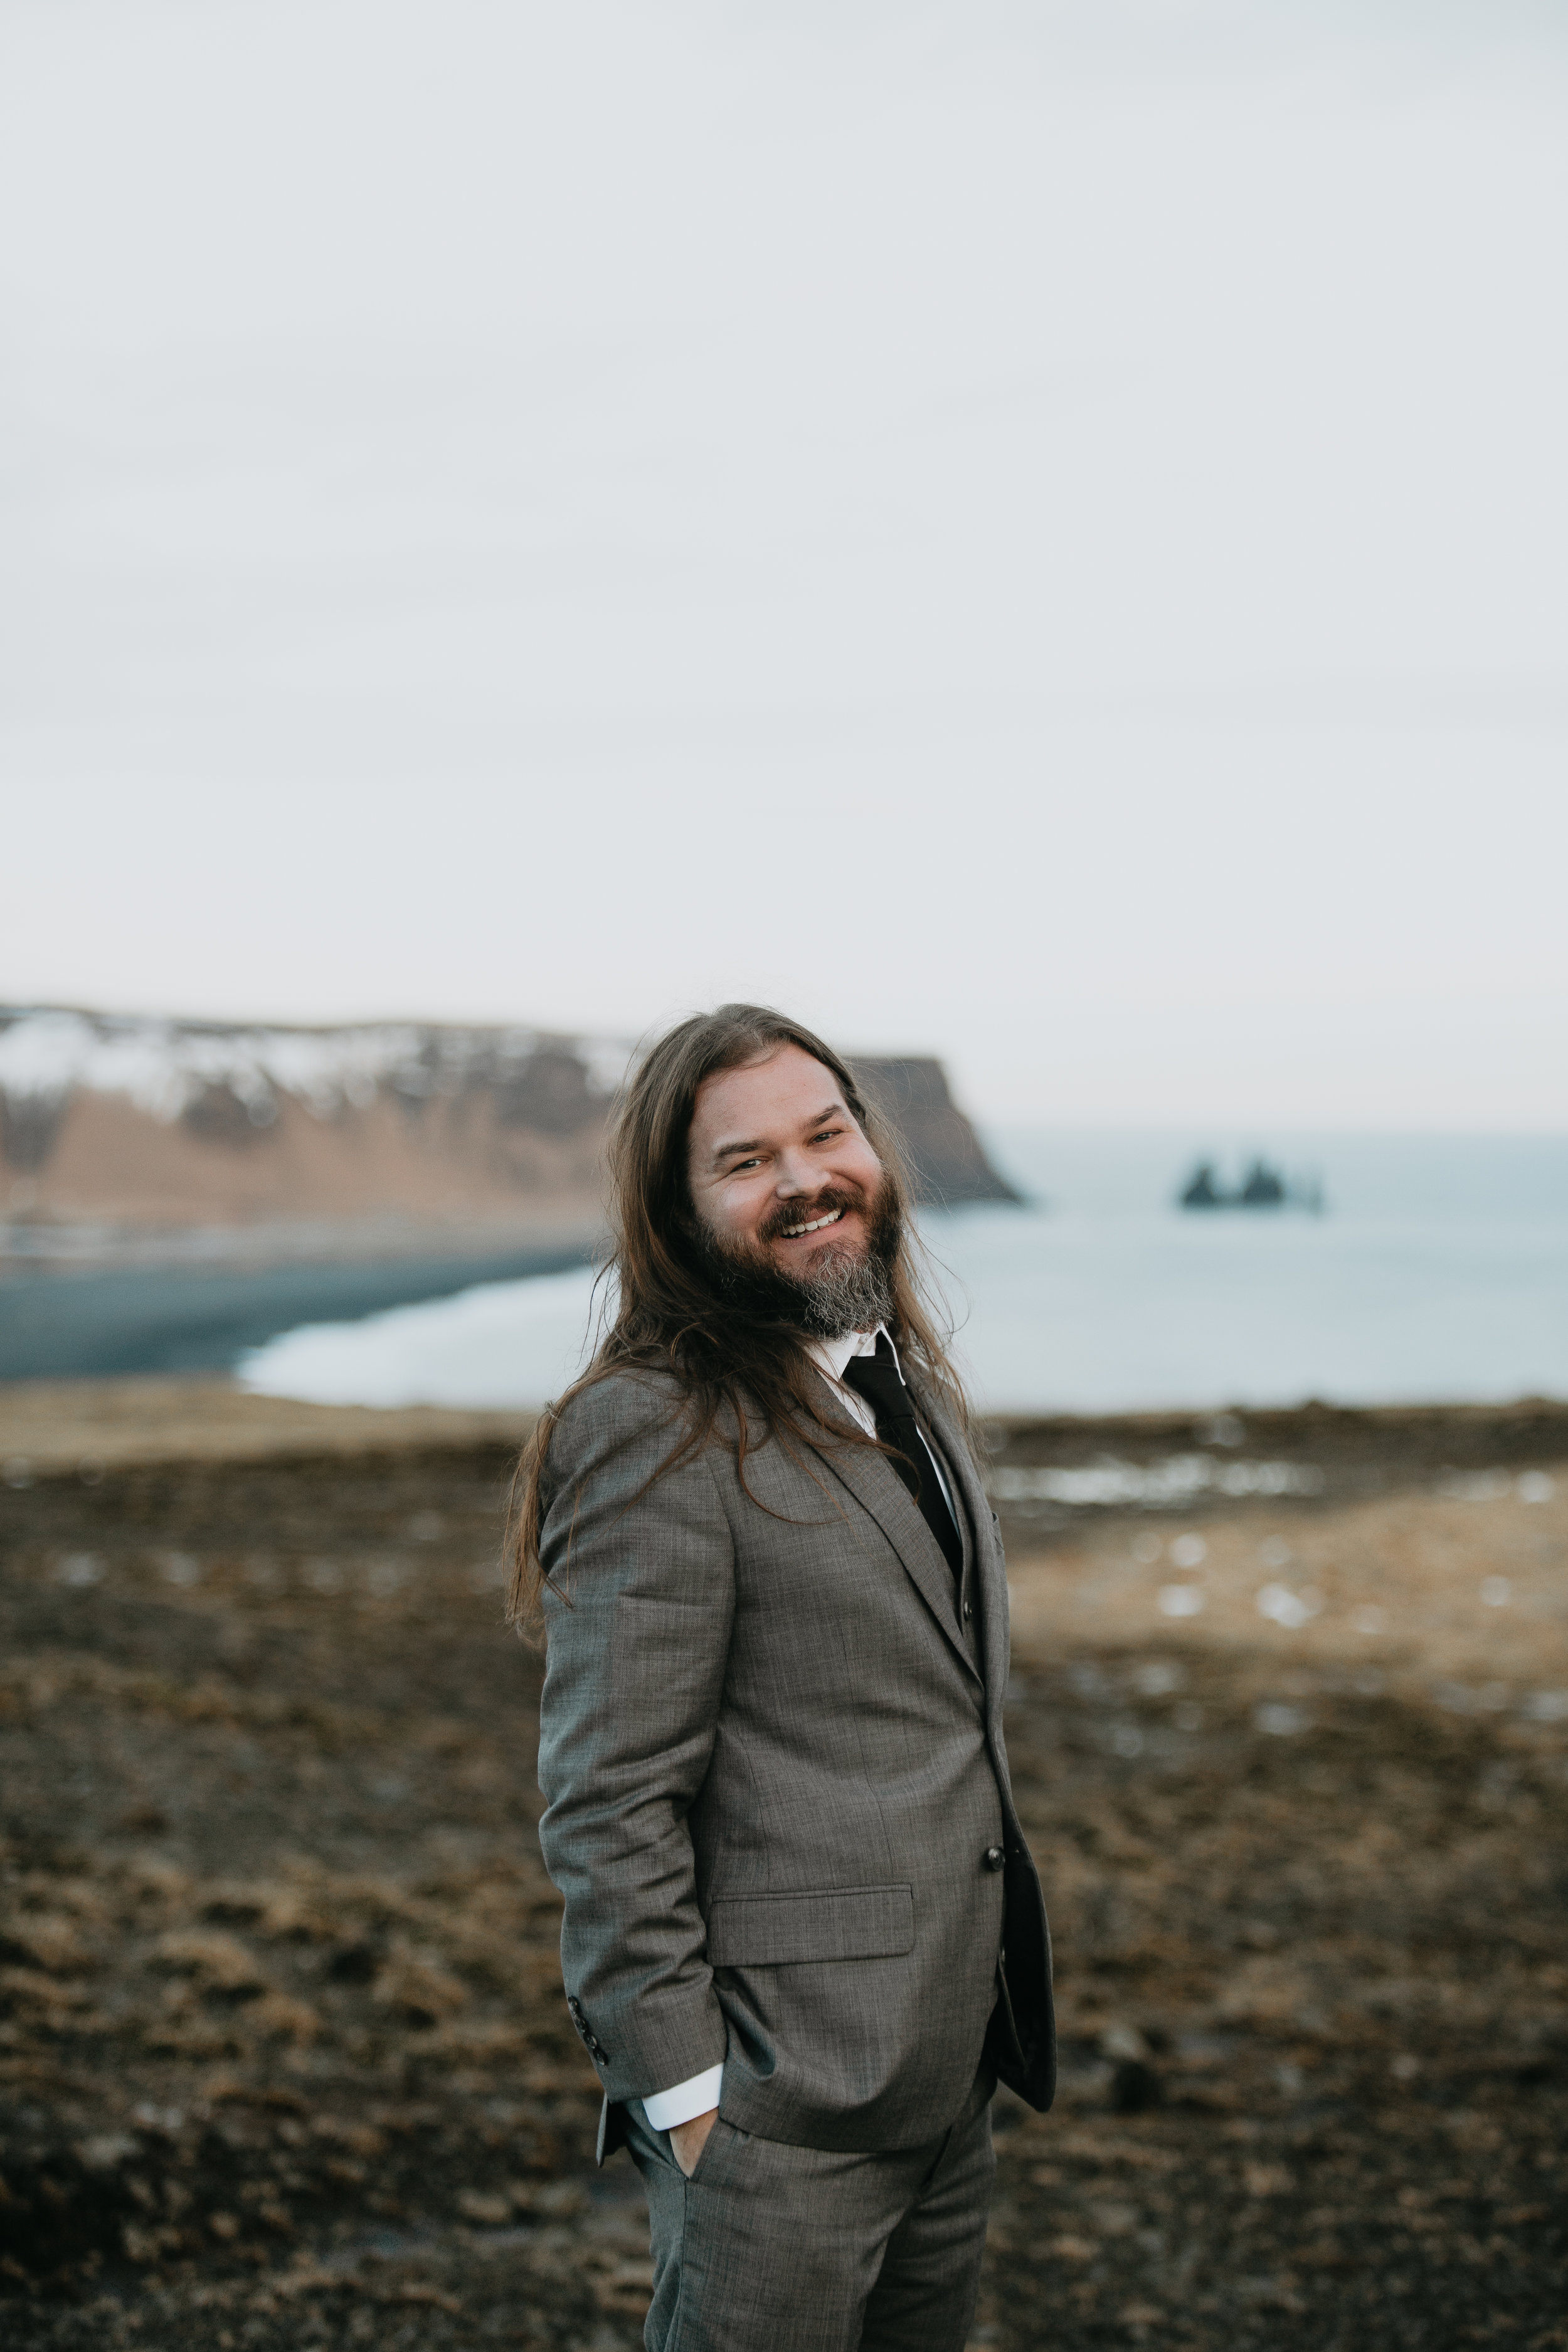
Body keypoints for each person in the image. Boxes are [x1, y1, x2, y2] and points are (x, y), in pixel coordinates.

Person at [509, 1004, 1054, 2352]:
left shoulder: (891, 1380)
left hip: (942, 2080)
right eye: (745, 1160)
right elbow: (604, 1803)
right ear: (677, 1210)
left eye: (825, 1133)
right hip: (776, 2121)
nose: (805, 1177)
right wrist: (693, 2105)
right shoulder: (652, 1429)